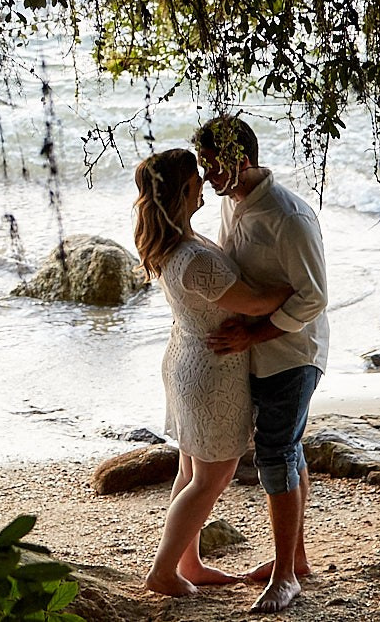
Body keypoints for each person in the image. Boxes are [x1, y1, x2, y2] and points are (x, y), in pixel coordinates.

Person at [132, 147, 295, 598]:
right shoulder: (194, 257)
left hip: (188, 358)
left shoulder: (173, 243)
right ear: (185, 190)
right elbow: (257, 304)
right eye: (197, 178)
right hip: (209, 373)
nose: (205, 181)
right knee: (212, 477)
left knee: (190, 470)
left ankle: (189, 562)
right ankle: (163, 571)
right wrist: (301, 285)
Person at [195, 115, 330, 615]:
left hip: (294, 355)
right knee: (286, 450)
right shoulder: (235, 205)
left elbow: (312, 299)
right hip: (261, 353)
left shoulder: (287, 217)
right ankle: (296, 560)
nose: (207, 179)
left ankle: (284, 577)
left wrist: (254, 331)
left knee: (274, 454)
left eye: (213, 168)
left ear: (241, 161)